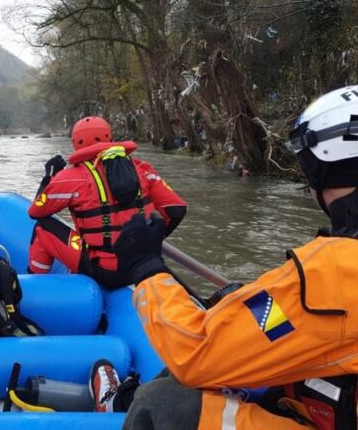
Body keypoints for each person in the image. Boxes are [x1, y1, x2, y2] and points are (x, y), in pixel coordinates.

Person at [114, 85, 358, 429]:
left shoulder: (335, 271)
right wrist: (249, 302)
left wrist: (147, 269)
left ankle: (126, 403)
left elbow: (195, 356)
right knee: (240, 308)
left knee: (166, 404)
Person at [27, 116, 187, 289]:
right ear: (110, 137)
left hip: (105, 272)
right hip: (143, 265)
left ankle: (33, 284)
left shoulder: (69, 178)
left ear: (75, 143)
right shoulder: (142, 168)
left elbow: (36, 212)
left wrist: (49, 177)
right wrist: (150, 242)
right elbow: (176, 210)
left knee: (42, 227)